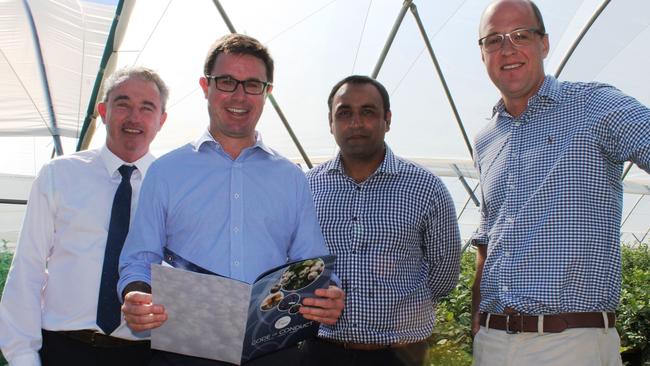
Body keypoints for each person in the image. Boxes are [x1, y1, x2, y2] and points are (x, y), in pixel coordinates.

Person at [117, 33, 345, 366]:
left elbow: (310, 259)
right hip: (186, 349)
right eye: (226, 82)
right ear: (205, 86)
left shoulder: (291, 177)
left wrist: (330, 292)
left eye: (253, 84)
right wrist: (136, 292)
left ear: (267, 92)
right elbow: (140, 256)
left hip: (273, 350)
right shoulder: (166, 172)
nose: (239, 95)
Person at [471, 1, 650, 365]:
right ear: (483, 53)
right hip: (492, 341)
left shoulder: (593, 105)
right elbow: (488, 235)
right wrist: (477, 317)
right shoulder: (486, 138)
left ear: (544, 44)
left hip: (570, 342)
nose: (507, 49)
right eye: (493, 40)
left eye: (520, 35)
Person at [0, 66, 169, 366]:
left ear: (161, 120)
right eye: (123, 104)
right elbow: (27, 270)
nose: (134, 117)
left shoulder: (173, 185)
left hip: (144, 354)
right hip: (64, 350)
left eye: (147, 108)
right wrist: (23, 356)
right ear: (103, 111)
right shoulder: (59, 175)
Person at [300, 75, 461, 366]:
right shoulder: (306, 187)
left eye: (368, 112)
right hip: (322, 349)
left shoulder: (426, 188)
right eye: (344, 113)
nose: (356, 122)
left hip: (401, 353)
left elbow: (444, 275)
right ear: (330, 122)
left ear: (387, 120)